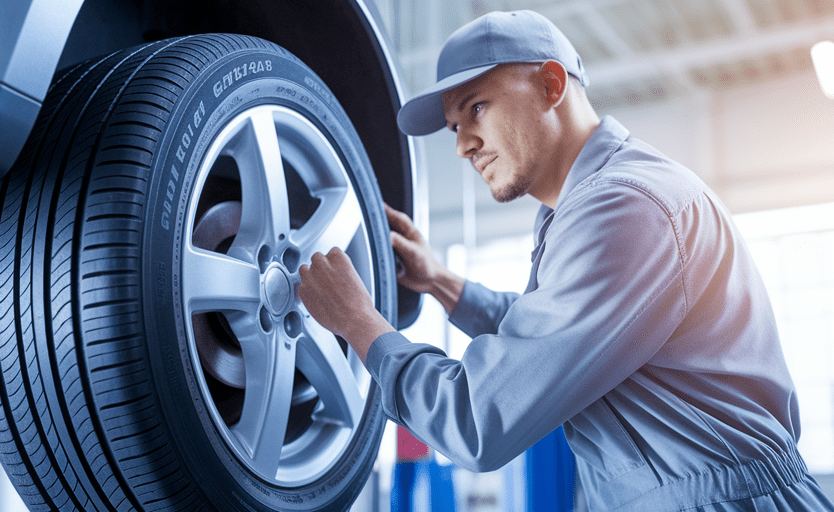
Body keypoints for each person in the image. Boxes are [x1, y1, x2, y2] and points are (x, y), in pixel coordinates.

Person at [297, 9, 834, 511]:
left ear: (552, 85)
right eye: (454, 127)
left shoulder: (624, 209)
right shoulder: (589, 205)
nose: (462, 145)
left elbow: (477, 419)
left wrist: (359, 323)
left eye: (475, 108)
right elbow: (557, 333)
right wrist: (443, 282)